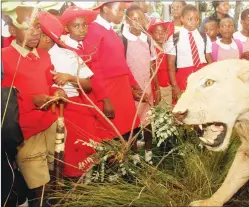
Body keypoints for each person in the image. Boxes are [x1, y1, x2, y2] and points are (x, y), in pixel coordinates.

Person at [1, 5, 67, 206]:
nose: (34, 32)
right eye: (27, 27)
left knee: (53, 174)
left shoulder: (44, 55)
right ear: (12, 31)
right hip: (25, 132)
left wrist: (57, 91)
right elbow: (3, 100)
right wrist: (32, 100)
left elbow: (50, 82)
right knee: (37, 183)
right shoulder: (4, 57)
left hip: (50, 123)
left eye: (37, 27)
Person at [37, 11, 98, 178]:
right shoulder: (36, 56)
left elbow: (88, 84)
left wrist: (70, 77)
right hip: (48, 111)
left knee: (74, 159)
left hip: (72, 110)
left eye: (38, 34)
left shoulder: (67, 55)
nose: (34, 37)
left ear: (47, 37)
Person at [83, 1, 146, 159]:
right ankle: (113, 175)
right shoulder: (93, 30)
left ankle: (128, 168)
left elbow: (121, 62)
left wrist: (134, 85)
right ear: (105, 9)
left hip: (122, 89)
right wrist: (104, 98)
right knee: (111, 135)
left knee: (128, 131)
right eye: (119, 10)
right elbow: (93, 68)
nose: (122, 14)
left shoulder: (110, 29)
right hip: (109, 90)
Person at [123, 5, 159, 164]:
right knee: (133, 122)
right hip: (130, 89)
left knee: (148, 120)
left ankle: (149, 152)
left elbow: (152, 64)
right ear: (127, 20)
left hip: (147, 86)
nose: (137, 22)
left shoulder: (148, 38)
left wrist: (156, 87)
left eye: (141, 19)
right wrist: (129, 88)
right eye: (134, 19)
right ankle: (135, 155)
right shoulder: (123, 39)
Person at [167, 4, 212, 102]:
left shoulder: (204, 37)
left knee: (201, 105)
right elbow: (170, 64)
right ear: (182, 18)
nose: (193, 22)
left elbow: (209, 58)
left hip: (202, 74)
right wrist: (175, 86)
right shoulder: (174, 38)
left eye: (196, 19)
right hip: (183, 75)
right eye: (190, 19)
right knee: (184, 108)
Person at [147, 18, 175, 108]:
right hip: (160, 87)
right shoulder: (153, 49)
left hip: (168, 86)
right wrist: (157, 89)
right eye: (157, 32)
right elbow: (152, 70)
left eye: (163, 31)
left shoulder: (168, 47)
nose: (161, 34)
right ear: (151, 34)